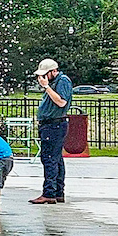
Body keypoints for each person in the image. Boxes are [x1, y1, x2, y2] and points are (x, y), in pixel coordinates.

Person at [31, 58, 73, 204]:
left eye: (44, 75)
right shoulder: (56, 82)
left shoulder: (62, 81)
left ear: (53, 71)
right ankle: (57, 192)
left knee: (49, 159)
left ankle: (49, 193)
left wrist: (47, 87)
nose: (42, 78)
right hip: (50, 124)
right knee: (56, 159)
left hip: (54, 125)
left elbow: (61, 102)